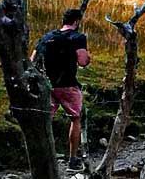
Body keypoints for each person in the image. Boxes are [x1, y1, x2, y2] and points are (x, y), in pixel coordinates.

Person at [34, 9, 91, 171]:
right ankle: (73, 160)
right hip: (68, 84)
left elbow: (33, 60)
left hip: (47, 85)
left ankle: (43, 158)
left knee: (45, 121)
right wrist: (88, 58)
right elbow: (83, 61)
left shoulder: (46, 37)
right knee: (75, 118)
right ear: (76, 21)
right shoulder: (78, 38)